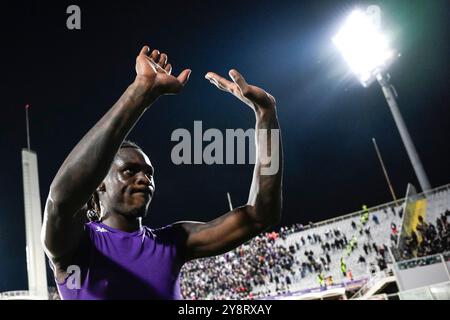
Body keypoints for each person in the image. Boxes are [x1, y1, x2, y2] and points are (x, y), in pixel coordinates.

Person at [41, 45, 283, 300]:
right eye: (129, 171)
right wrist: (140, 91)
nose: (144, 179)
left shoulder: (172, 242)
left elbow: (260, 215)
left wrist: (266, 114)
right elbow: (61, 199)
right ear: (99, 183)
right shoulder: (77, 243)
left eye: (149, 173)